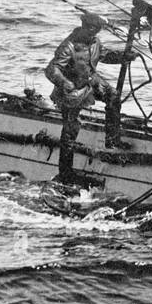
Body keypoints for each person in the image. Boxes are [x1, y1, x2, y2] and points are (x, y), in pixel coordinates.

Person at [44, 12, 129, 184]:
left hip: (90, 80)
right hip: (72, 88)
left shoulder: (95, 42)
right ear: (83, 26)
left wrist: (124, 57)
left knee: (112, 96)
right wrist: (65, 83)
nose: (93, 33)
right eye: (91, 30)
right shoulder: (68, 46)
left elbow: (104, 55)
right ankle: (66, 172)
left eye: (96, 30)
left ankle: (112, 141)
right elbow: (51, 69)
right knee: (71, 129)